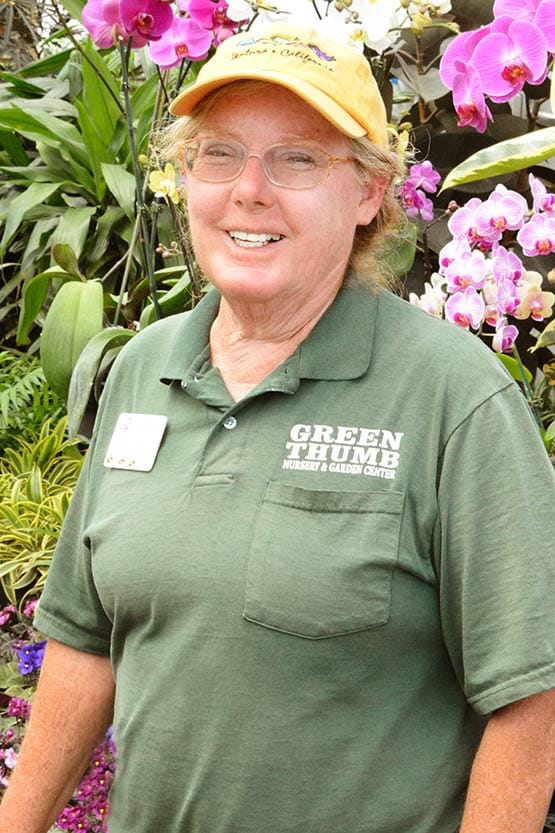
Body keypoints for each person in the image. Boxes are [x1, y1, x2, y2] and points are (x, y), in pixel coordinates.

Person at [1, 23, 554, 833]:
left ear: (368, 192)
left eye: (297, 158)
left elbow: (530, 704)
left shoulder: (451, 397)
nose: (248, 191)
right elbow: (83, 640)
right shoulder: (145, 369)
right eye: (218, 154)